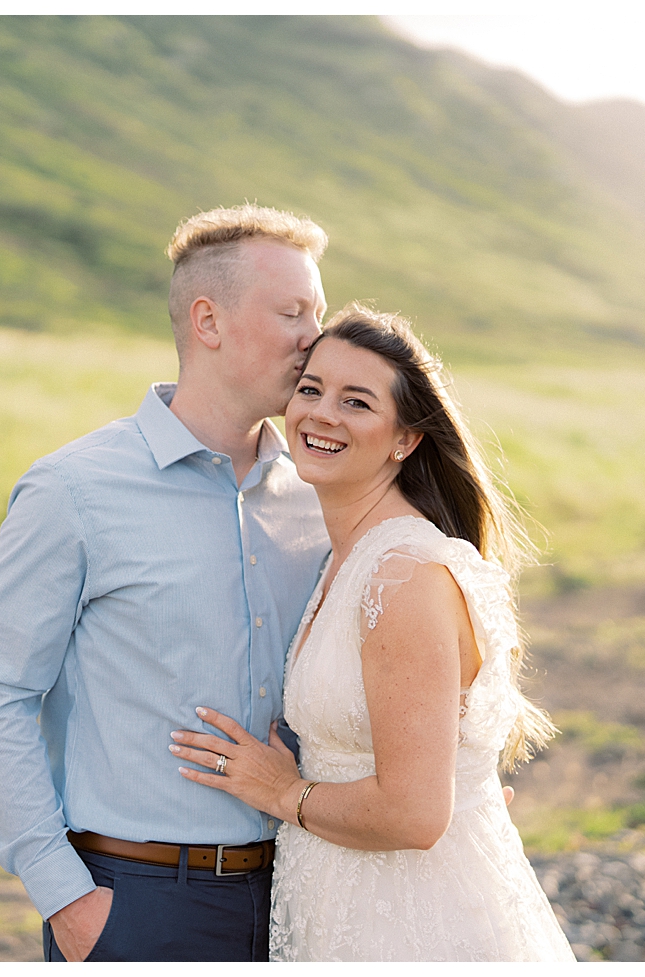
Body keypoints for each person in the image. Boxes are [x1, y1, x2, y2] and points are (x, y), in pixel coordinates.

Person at [0, 203, 333, 961]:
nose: (314, 339)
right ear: (208, 321)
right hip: (135, 903)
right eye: (292, 312)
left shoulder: (318, 499)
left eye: (318, 314)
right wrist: (66, 896)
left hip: (305, 893)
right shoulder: (75, 490)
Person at [170, 304, 576, 961]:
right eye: (311, 389)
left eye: (355, 401)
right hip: (349, 905)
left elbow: (416, 813)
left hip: (414, 921)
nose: (322, 413)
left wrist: (281, 791)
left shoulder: (403, 573)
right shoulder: (349, 560)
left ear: (404, 439)